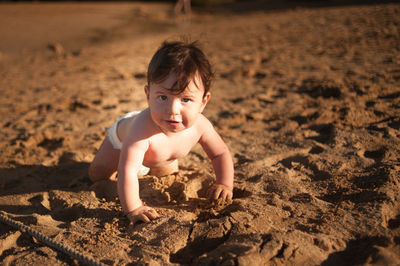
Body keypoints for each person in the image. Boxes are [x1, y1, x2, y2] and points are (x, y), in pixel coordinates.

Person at [89, 41, 234, 224]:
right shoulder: (140, 130)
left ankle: (152, 165)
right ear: (148, 95)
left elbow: (219, 153)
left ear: (204, 102)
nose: (173, 110)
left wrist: (224, 183)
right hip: (121, 138)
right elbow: (127, 170)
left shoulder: (201, 126)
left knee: (165, 175)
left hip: (161, 155)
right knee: (98, 174)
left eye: (186, 99)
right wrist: (133, 208)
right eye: (163, 97)